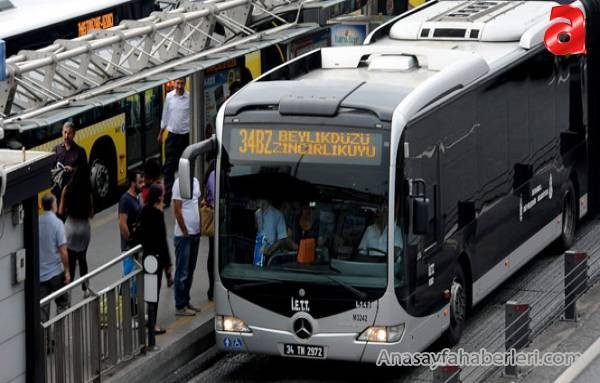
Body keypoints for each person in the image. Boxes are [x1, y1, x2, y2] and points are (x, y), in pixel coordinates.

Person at [140, 184, 173, 348]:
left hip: (147, 258)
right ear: (158, 197)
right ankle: (152, 325)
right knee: (155, 294)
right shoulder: (157, 215)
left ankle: (150, 320)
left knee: (150, 291)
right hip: (157, 259)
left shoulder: (144, 212)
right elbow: (163, 241)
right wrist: (168, 266)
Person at [59, 164, 93, 297]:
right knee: (82, 258)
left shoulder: (67, 189)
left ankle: (68, 291)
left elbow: (61, 211)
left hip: (70, 227)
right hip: (84, 228)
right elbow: (92, 213)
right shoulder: (87, 190)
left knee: (71, 261)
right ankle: (85, 289)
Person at [172, 176, 202, 315]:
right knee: (182, 271)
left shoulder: (195, 181)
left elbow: (197, 203)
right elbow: (177, 209)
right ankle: (180, 305)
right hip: (184, 236)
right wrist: (185, 230)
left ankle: (186, 300)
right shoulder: (179, 183)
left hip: (195, 233)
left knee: (190, 269)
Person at [158, 78, 190, 207]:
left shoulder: (189, 98)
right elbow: (165, 116)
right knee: (169, 168)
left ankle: (185, 196)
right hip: (172, 136)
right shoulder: (169, 97)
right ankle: (167, 199)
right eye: (177, 83)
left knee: (185, 167)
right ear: (175, 83)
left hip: (185, 136)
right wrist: (161, 133)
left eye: (182, 83)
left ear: (185, 84)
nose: (179, 86)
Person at [39, 193, 70, 324]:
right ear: (53, 205)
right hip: (56, 273)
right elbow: (63, 251)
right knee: (62, 304)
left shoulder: (37, 222)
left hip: (40, 275)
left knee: (42, 312)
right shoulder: (58, 224)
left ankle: (45, 342)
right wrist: (67, 271)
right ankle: (59, 337)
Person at [52, 121, 88, 206]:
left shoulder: (80, 152)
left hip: (74, 194)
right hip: (58, 194)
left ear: (74, 134)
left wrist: (73, 169)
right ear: (62, 132)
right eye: (65, 132)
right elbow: (51, 170)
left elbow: (85, 173)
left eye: (69, 133)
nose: (66, 136)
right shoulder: (56, 150)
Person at [119, 170, 144, 276]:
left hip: (137, 247)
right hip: (129, 249)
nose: (143, 185)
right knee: (129, 279)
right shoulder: (125, 200)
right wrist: (130, 241)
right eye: (140, 182)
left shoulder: (137, 198)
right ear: (133, 183)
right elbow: (122, 223)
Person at [204, 160, 216, 301]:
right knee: (213, 252)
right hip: (214, 219)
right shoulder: (213, 175)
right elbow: (215, 195)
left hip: (218, 218)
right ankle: (211, 288)